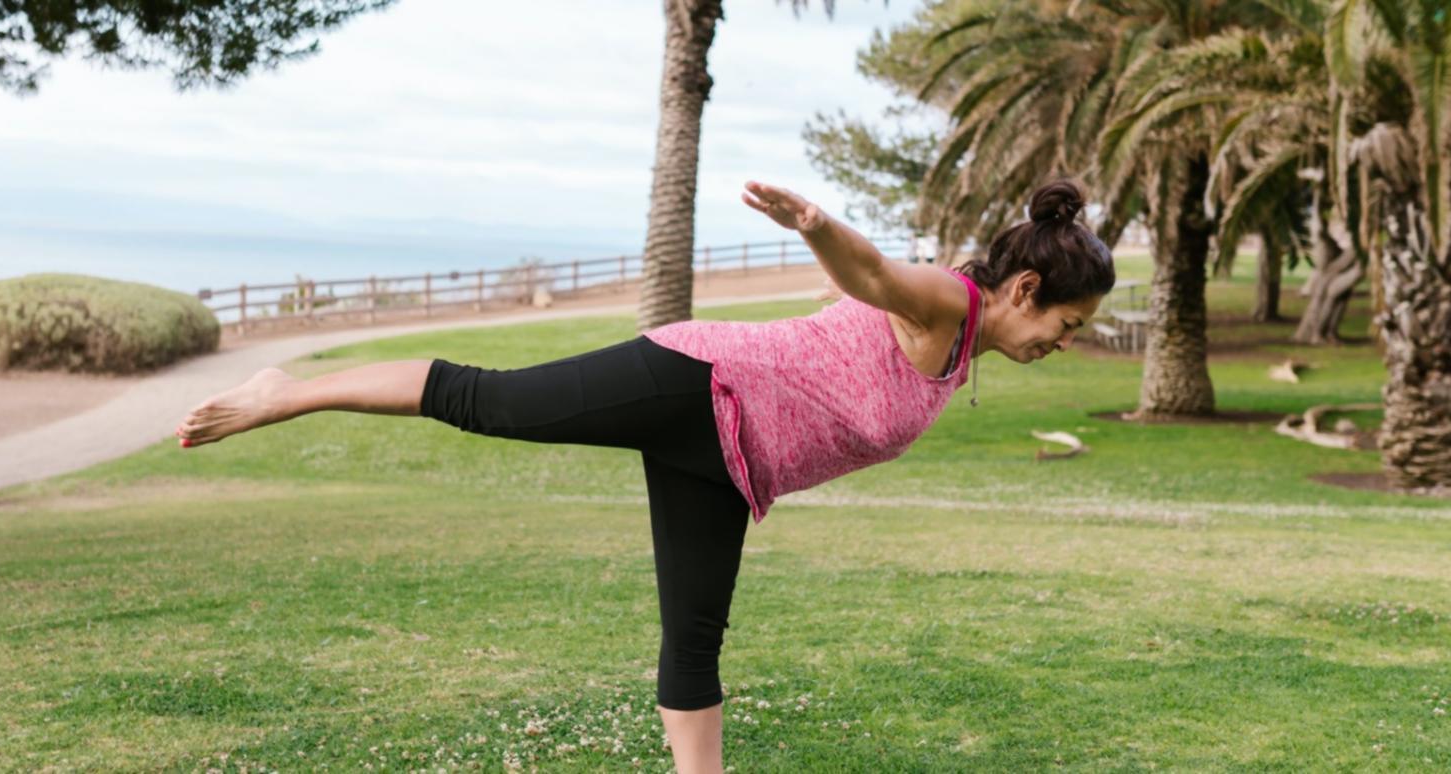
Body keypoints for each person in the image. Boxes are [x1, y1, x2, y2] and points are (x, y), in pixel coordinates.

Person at [174, 179, 1115, 773]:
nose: (1058, 346)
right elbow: (870, 274)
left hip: (726, 458)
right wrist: (818, 226)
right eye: (1065, 328)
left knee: (696, 631)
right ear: (1024, 291)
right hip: (692, 386)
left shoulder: (958, 349)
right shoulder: (947, 302)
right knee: (491, 402)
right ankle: (283, 390)